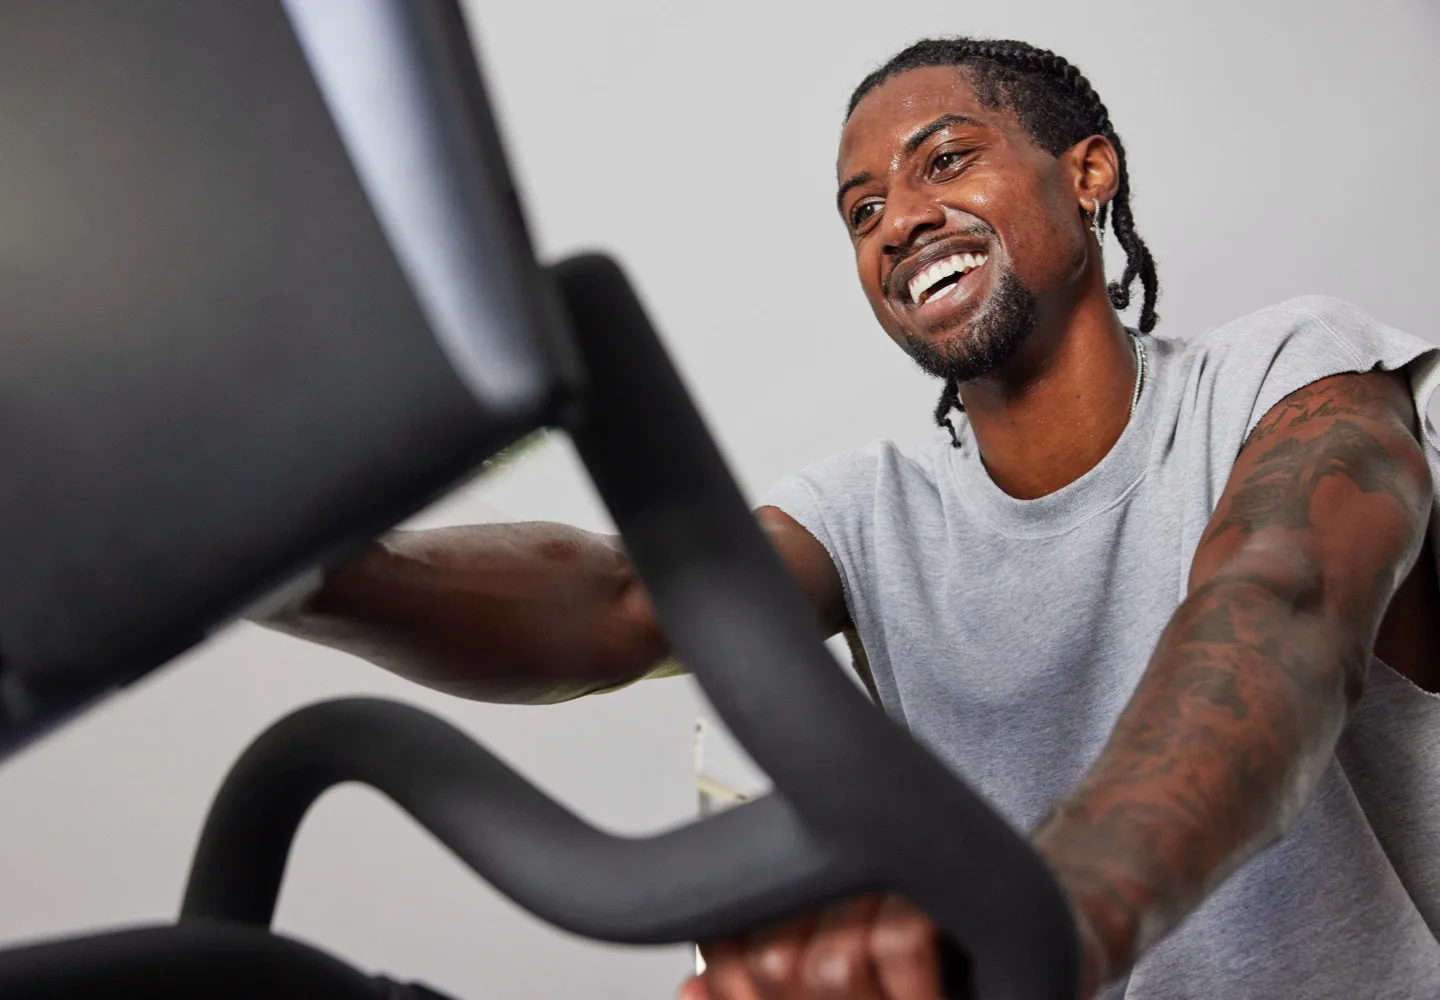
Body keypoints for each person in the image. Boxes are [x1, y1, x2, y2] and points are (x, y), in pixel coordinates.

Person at [264, 37, 1440, 1000]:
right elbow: (621, 600)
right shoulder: (872, 511)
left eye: (946, 163)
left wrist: (1050, 911)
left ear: (1089, 174)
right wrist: (280, 568)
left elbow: (1281, 606)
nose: (899, 220)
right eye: (863, 207)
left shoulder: (1289, 368)